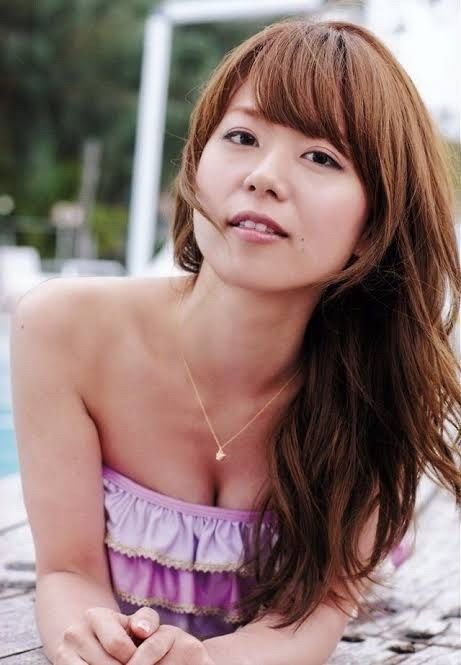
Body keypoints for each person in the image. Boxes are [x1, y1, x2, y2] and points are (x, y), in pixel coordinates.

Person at [10, 16, 460, 665]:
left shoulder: (379, 391)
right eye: (242, 137)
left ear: (374, 223)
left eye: (321, 157)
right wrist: (89, 637)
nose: (264, 176)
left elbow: (305, 621)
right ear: (197, 164)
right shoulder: (63, 331)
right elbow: (67, 571)